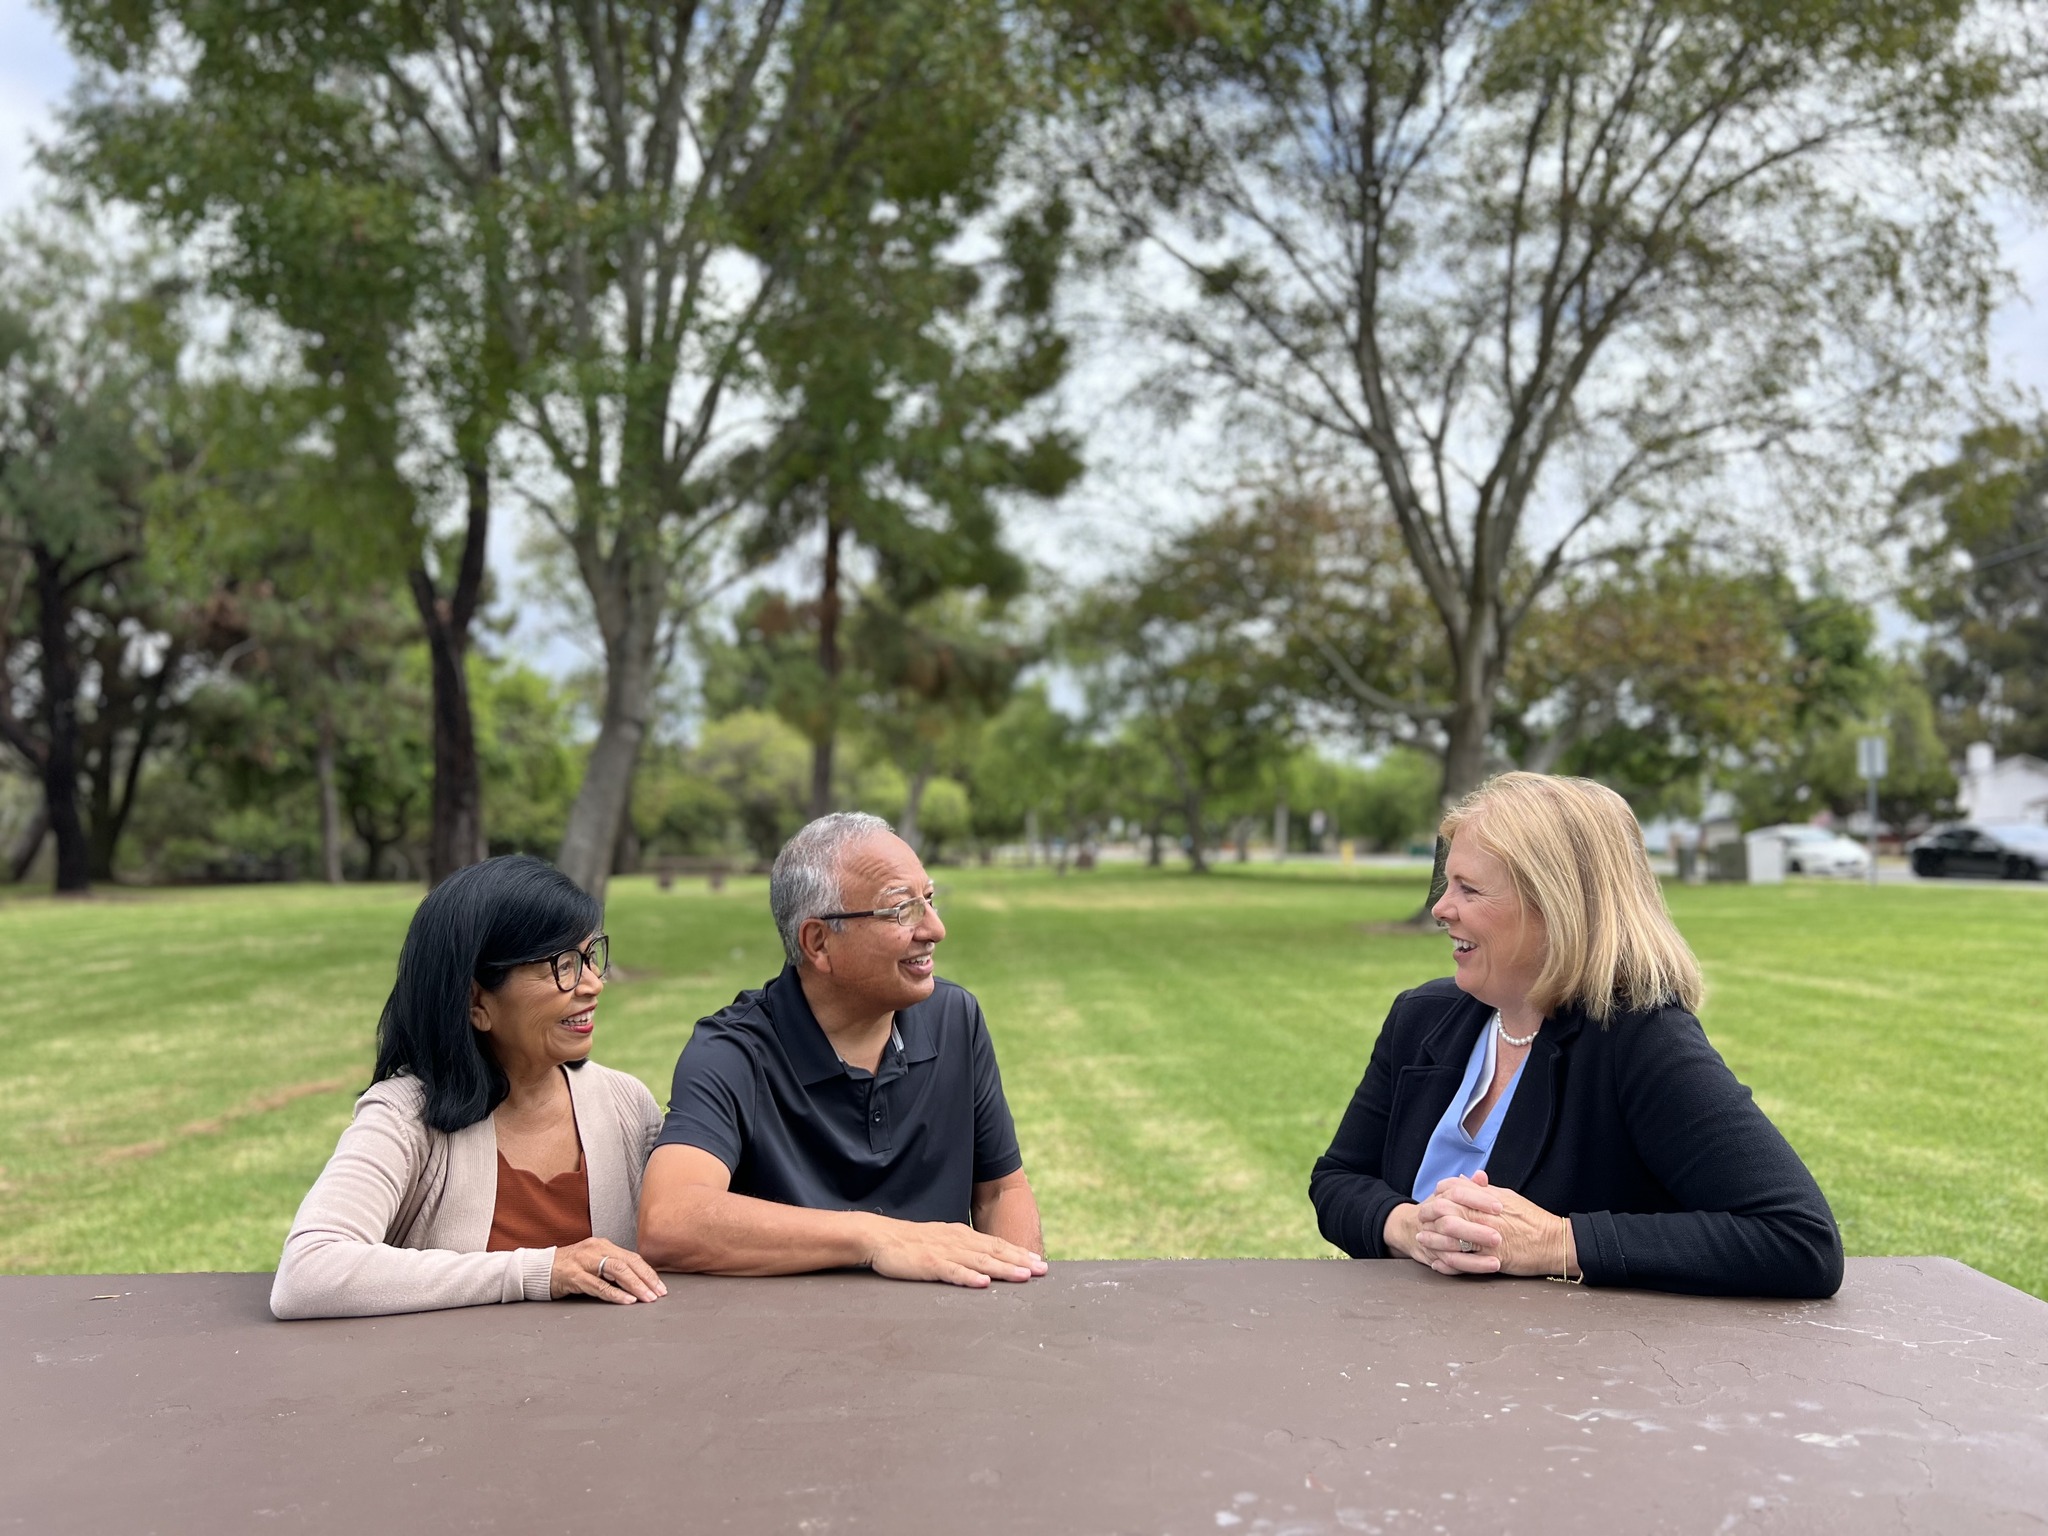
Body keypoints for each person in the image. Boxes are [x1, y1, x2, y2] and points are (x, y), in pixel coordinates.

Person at [1309, 773, 1843, 1298]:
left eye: (1468, 889)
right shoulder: (1423, 1016)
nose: (1440, 909)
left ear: (1555, 908)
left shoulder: (1642, 1039)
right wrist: (1410, 1228)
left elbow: (1799, 1239)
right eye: (1446, 884)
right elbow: (1338, 1179)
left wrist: (1553, 1243)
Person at [638, 813, 1047, 1289]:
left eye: (929, 900)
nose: (935, 929)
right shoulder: (733, 1052)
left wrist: (1018, 1307)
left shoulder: (955, 1018)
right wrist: (879, 1239)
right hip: (789, 1350)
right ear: (818, 943)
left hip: (946, 1345)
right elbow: (669, 1221)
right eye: (901, 910)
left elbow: (1000, 1192)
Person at [271, 856, 667, 1318]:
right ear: (476, 1000)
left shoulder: (626, 1104)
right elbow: (307, 1273)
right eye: (563, 965)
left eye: (590, 956)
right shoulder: (404, 1117)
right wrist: (539, 1272)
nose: (594, 984)